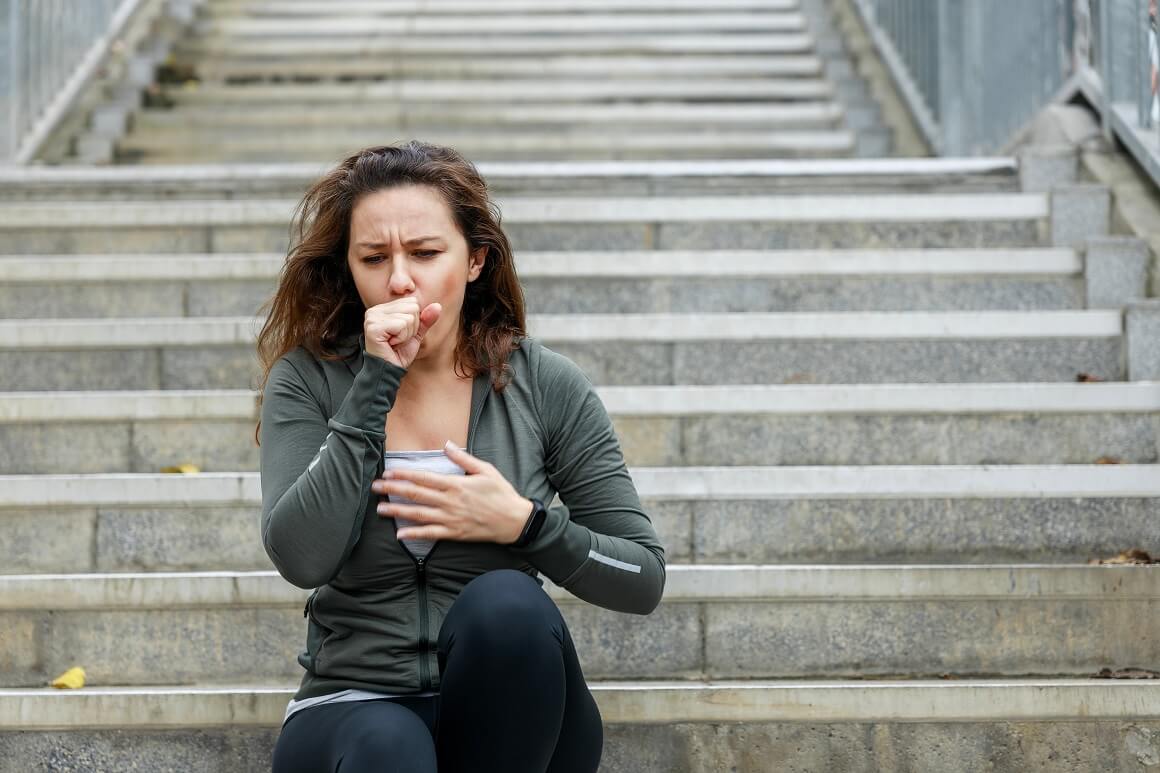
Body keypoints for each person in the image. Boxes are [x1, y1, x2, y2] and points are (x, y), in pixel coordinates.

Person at [256, 141, 666, 773]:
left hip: (514, 720)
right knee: (391, 747)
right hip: (352, 706)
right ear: (349, 267)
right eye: (373, 257)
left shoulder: (543, 385)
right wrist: (372, 384)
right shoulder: (308, 381)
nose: (398, 278)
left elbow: (642, 578)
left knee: (507, 605)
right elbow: (300, 557)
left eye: (424, 253)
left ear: (474, 261)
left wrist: (525, 526)